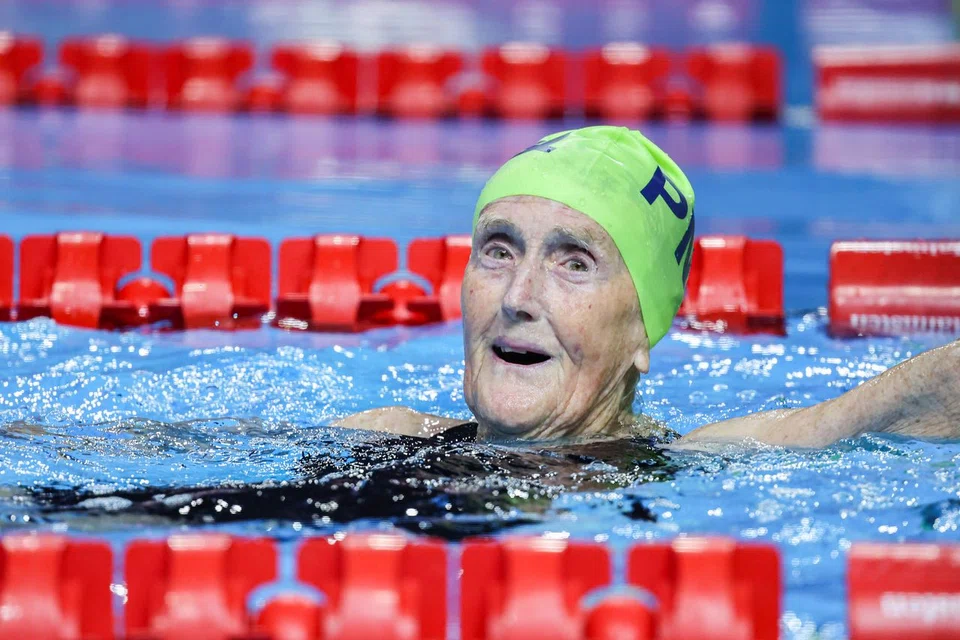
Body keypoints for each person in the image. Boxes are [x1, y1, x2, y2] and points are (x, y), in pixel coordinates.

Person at [336, 126, 960, 447]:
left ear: (644, 328)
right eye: (498, 251)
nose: (517, 297)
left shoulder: (688, 470)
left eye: (573, 263)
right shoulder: (382, 436)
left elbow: (899, 405)